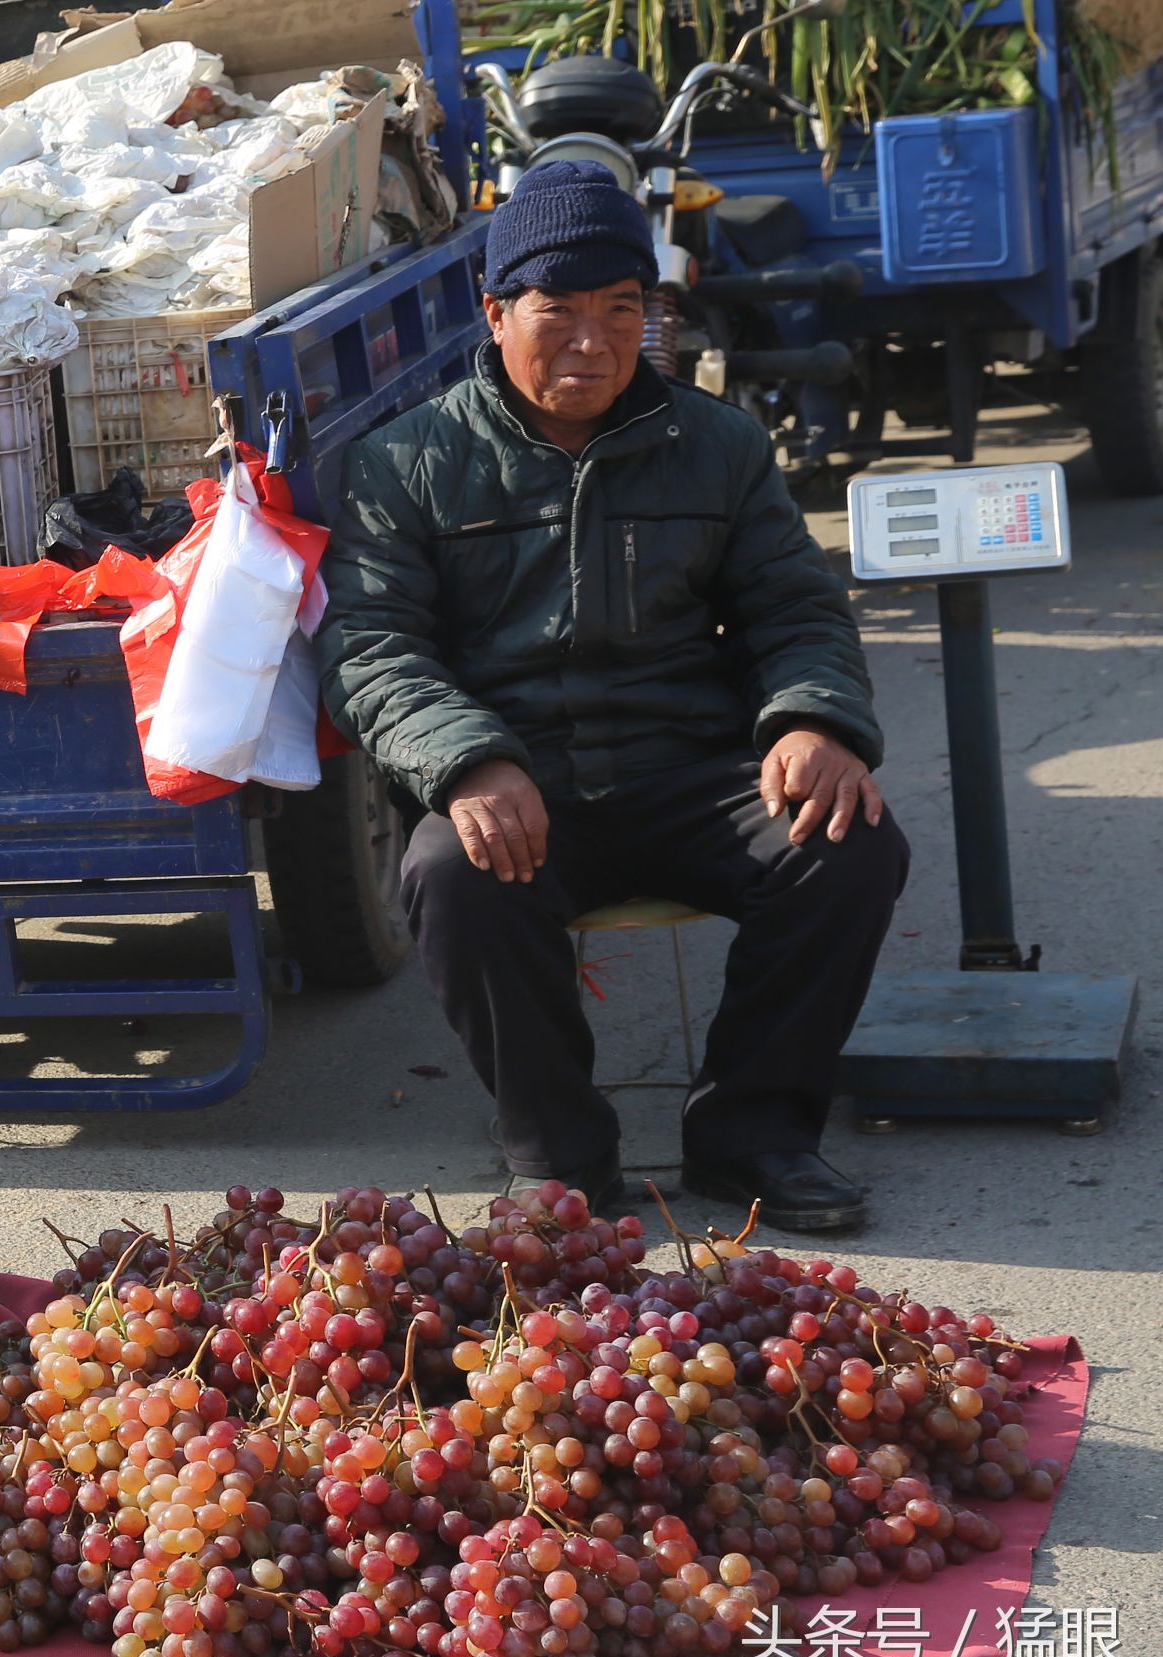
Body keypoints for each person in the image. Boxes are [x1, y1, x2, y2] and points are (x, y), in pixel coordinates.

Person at [314, 160, 908, 1232]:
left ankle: (753, 1133)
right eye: (558, 312)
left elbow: (794, 607)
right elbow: (370, 646)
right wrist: (467, 762)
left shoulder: (715, 443)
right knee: (450, 869)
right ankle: (555, 1157)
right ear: (492, 313)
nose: (591, 341)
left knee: (846, 839)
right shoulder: (404, 463)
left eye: (620, 311)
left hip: (688, 770)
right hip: (522, 782)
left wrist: (813, 719)